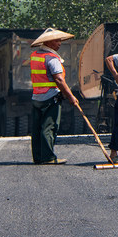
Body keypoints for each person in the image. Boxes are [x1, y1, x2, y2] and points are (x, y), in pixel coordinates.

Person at [29, 28, 80, 165]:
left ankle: (38, 157)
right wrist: (70, 97)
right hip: (50, 97)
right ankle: (48, 158)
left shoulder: (35, 55)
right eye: (57, 40)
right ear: (49, 42)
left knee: (37, 128)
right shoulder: (52, 59)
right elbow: (59, 80)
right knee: (49, 127)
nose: (59, 43)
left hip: (36, 97)